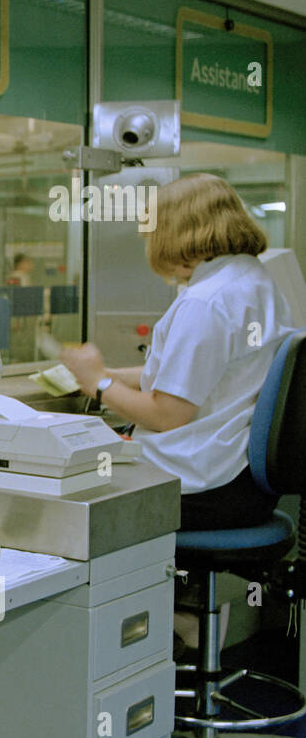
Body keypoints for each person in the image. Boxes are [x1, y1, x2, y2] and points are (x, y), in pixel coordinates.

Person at [60, 175, 295, 651]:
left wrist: (97, 384)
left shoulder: (206, 302)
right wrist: (111, 372)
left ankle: (167, 624)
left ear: (174, 234)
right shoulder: (253, 281)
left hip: (205, 487)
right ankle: (184, 612)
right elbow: (201, 377)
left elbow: (168, 415)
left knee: (70, 502)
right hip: (242, 484)